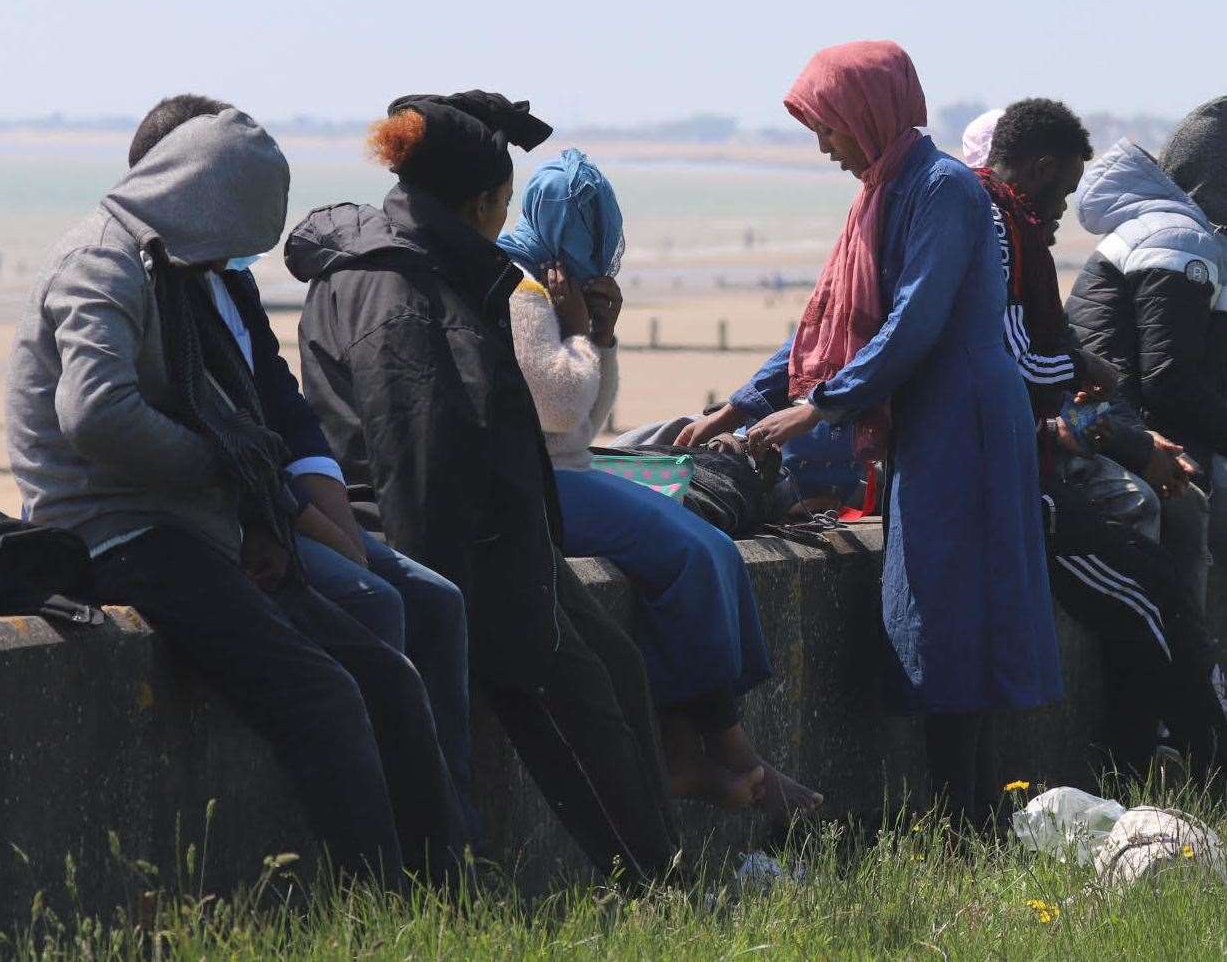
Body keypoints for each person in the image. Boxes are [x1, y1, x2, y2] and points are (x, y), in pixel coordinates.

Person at [5, 100, 467, 891]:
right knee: (319, 692)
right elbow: (94, 413)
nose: (231, 260)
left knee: (385, 675)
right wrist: (225, 474)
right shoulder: (103, 262)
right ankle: (389, 906)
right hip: (114, 533)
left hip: (191, 525)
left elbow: (239, 409)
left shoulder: (167, 262)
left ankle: (448, 886)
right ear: (199, 200)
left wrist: (254, 509)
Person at [286, 92, 679, 885]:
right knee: (575, 702)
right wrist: (460, 614)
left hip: (500, 531)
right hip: (458, 551)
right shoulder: (399, 291)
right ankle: (654, 885)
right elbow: (414, 465)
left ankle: (662, 869)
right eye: (504, 202)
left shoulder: (424, 266)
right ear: (484, 202)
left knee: (619, 669)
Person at [677, 41, 1062, 826]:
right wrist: (740, 405)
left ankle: (965, 819)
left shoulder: (945, 191)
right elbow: (832, 324)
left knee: (962, 617)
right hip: (933, 425)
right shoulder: (884, 194)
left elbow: (913, 320)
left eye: (829, 128)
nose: (825, 147)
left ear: (868, 113)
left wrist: (822, 406)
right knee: (942, 612)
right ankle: (967, 818)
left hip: (971, 427)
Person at [123, 95, 475, 834]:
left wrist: (321, 485)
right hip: (244, 510)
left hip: (284, 493)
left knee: (437, 600)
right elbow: (194, 426)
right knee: (374, 602)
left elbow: (276, 394)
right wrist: (306, 513)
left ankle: (455, 823)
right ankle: (404, 843)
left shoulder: (228, 278)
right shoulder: (160, 279)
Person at [497, 148, 823, 826]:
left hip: (568, 468)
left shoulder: (551, 285)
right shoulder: (522, 286)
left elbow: (589, 415)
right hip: (542, 483)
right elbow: (560, 406)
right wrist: (582, 334)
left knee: (715, 548)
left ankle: (697, 742)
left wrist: (603, 336)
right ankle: (735, 752)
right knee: (688, 553)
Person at [973, 98, 1225, 774]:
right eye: (1058, 193)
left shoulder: (1027, 244)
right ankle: (1166, 735)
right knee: (1172, 514)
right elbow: (1131, 381)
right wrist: (1138, 443)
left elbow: (1064, 389)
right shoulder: (1003, 237)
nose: (1062, 213)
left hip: (1074, 439)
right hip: (1047, 459)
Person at [1068, 99, 1227, 563]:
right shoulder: (1179, 240)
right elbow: (1169, 382)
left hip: (1121, 424)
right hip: (1115, 429)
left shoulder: (1185, 236)